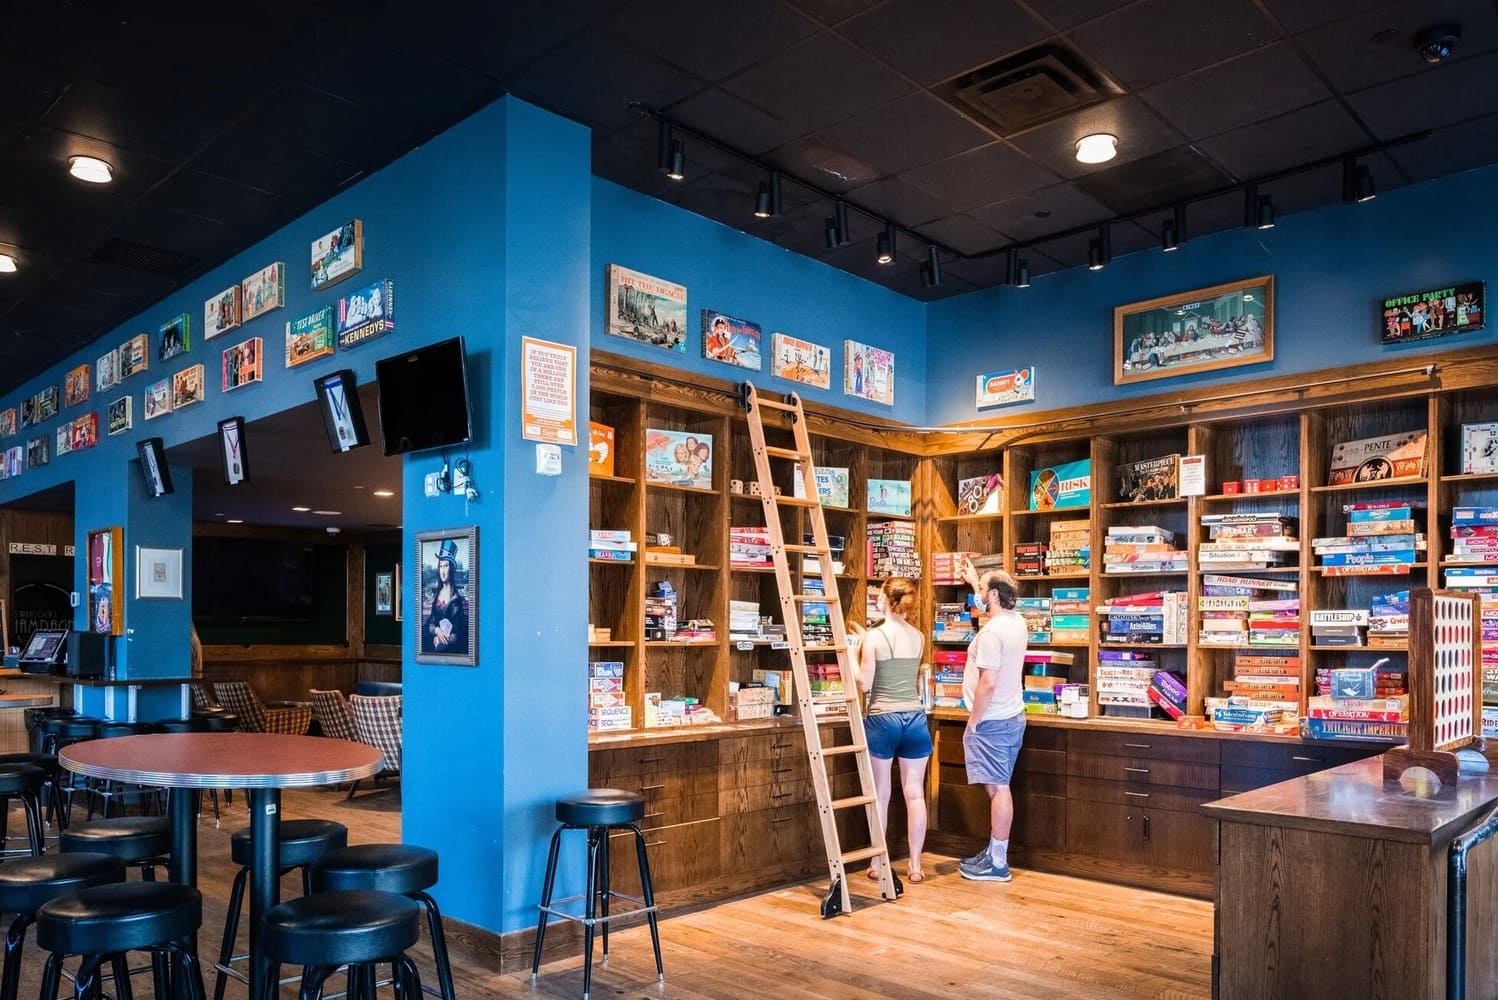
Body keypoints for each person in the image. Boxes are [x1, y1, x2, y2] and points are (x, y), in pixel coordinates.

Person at [856, 577, 931, 884]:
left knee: (881, 795)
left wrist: (851, 653)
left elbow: (864, 683)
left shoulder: (873, 638)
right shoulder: (919, 636)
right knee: (915, 795)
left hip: (882, 720)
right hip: (915, 719)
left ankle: (877, 862)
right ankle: (915, 865)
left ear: (885, 601)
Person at [957, 559, 1027, 882]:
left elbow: (987, 683)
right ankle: (993, 852)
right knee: (1001, 785)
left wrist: (974, 722)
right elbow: (992, 614)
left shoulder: (990, 634)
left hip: (991, 721)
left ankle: (998, 862)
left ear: (994, 595)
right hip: (1012, 717)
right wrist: (976, 581)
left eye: (982, 590)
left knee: (998, 789)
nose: (978, 595)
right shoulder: (1017, 622)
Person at [422, 539, 469, 655]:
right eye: (441, 566)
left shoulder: (457, 601)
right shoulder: (437, 595)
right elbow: (431, 622)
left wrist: (443, 639)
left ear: (451, 568)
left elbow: (459, 633)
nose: (442, 571)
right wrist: (437, 630)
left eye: (446, 566)